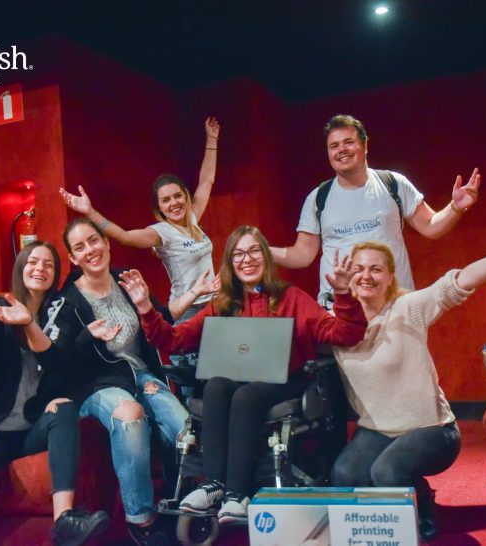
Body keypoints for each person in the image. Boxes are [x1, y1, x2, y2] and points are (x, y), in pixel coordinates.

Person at [118, 225, 368, 524]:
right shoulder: (224, 303)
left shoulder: (291, 298)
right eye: (238, 254)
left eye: (253, 251)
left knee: (247, 395)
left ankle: (237, 494)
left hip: (286, 380)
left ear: (265, 256)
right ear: (230, 262)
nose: (246, 259)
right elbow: (173, 340)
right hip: (240, 381)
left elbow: (345, 333)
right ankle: (214, 485)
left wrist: (343, 294)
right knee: (216, 385)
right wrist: (146, 308)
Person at [330, 215, 486, 542]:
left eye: (376, 269)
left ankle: (422, 507)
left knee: (387, 471)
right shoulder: (335, 325)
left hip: (432, 430)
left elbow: (464, 279)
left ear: (390, 277)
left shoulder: (408, 308)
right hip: (376, 430)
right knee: (344, 474)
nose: (366, 276)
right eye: (359, 268)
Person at [0, 241, 109, 546]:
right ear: (21, 267)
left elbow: (61, 363)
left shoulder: (61, 313)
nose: (40, 269)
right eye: (33, 262)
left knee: (64, 407)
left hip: (34, 427)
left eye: (49, 264)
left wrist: (32, 324)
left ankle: (64, 522)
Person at [44, 217, 190, 546]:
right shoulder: (67, 303)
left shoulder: (126, 281)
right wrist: (86, 336)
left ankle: (174, 506)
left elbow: (161, 319)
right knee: (129, 415)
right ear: (73, 258)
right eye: (80, 247)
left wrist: (183, 295)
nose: (90, 250)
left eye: (94, 241)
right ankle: (141, 522)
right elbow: (58, 360)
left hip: (140, 374)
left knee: (184, 431)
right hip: (95, 384)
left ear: (106, 243)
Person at [271, 114, 482, 306]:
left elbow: (430, 226)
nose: (341, 150)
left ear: (365, 145)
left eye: (349, 142)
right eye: (334, 146)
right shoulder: (318, 198)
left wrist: (455, 208)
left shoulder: (393, 183)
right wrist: (262, 251)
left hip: (396, 306)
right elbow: (303, 254)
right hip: (341, 310)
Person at [59, 116, 221, 321]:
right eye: (166, 200)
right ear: (159, 207)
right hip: (187, 309)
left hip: (213, 303)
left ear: (185, 197)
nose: (174, 203)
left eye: (177, 196)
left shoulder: (193, 217)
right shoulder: (162, 233)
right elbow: (124, 236)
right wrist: (89, 212)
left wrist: (212, 138)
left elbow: (206, 180)